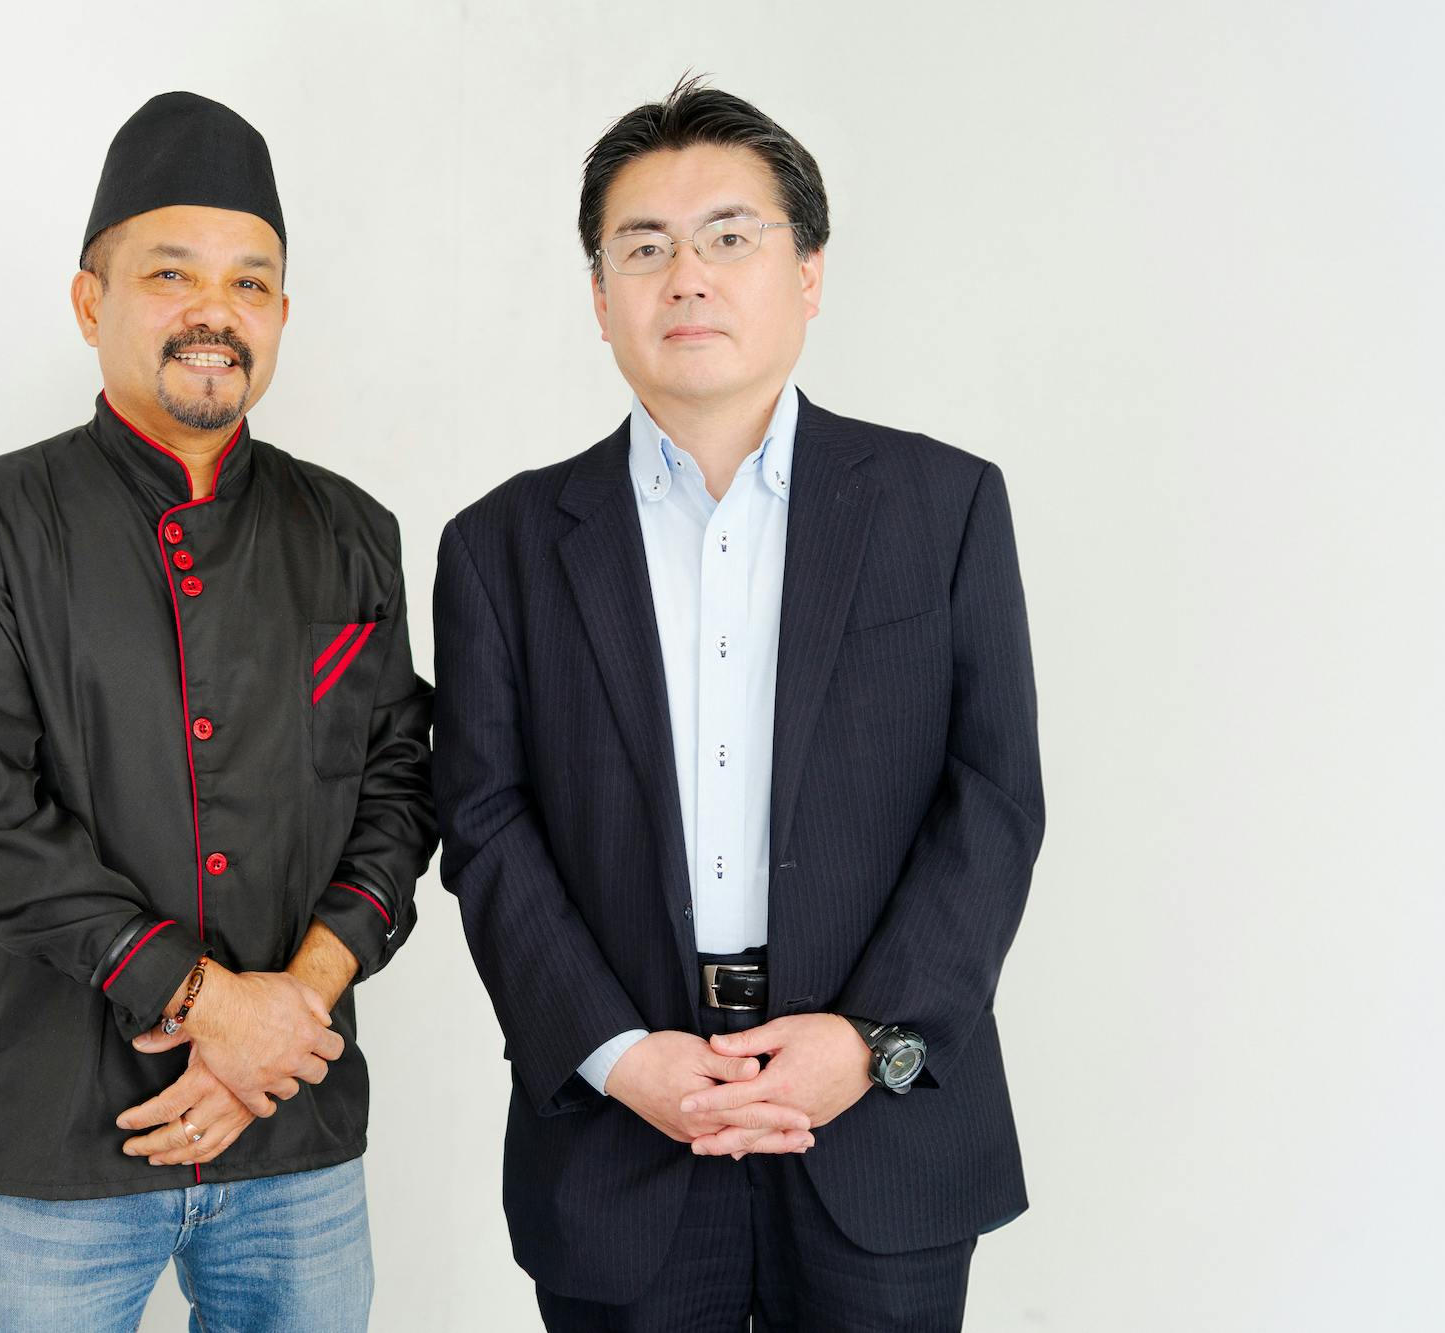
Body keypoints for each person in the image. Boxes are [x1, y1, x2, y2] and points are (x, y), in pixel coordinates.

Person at [433, 77, 1043, 1330]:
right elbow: (484, 823)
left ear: (806, 273)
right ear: (598, 296)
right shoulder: (499, 545)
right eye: (642, 248)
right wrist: (616, 1054)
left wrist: (866, 1037)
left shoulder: (942, 507)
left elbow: (991, 801)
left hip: (879, 1126)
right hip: (622, 1132)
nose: (686, 279)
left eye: (727, 236)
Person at [0, 90, 435, 1333]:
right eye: (171, 273)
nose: (213, 311)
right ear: (91, 302)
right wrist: (211, 1007)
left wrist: (286, 1015)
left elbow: (399, 791)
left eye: (250, 283)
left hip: (293, 1137)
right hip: (54, 1149)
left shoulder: (351, 532)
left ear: (280, 314)